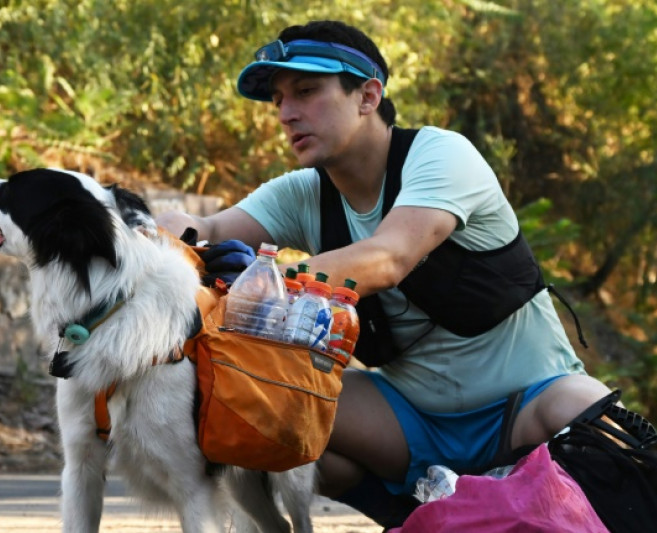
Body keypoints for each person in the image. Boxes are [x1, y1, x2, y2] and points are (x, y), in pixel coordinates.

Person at [156, 20, 613, 528]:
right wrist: (163, 234)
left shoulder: (441, 155)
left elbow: (388, 257)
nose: (287, 113)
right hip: (410, 425)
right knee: (266, 406)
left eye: (306, 91)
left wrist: (254, 287)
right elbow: (208, 227)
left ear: (368, 95)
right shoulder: (302, 193)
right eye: (279, 99)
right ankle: (415, 519)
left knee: (592, 416)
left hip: (525, 407)